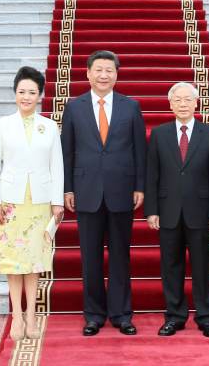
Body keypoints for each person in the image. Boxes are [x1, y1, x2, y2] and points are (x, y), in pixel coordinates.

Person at [61, 50, 147, 337]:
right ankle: (94, 315)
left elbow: (140, 150)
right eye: (98, 69)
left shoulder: (130, 107)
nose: (103, 75)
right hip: (86, 191)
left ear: (116, 74)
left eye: (109, 70)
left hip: (122, 191)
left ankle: (122, 314)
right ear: (88, 73)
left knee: (121, 256)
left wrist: (140, 186)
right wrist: (67, 188)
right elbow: (67, 151)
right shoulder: (74, 107)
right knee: (91, 258)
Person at [0, 66, 64, 341]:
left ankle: (32, 315)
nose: (26, 97)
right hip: (10, 203)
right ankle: (16, 317)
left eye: (32, 92)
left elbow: (57, 165)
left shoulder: (49, 126)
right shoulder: (2, 124)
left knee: (34, 260)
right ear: (15, 93)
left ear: (40, 95)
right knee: (12, 260)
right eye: (22, 92)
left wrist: (57, 202)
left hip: (40, 202)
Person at [145, 82, 209, 338]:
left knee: (202, 267)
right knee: (171, 266)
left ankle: (206, 317)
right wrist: (152, 210)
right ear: (170, 104)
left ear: (196, 103)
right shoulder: (159, 134)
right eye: (177, 100)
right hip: (168, 210)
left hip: (200, 212)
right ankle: (174, 316)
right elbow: (151, 175)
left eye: (187, 99)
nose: (182, 104)